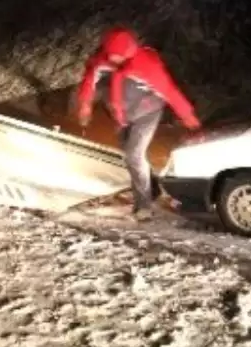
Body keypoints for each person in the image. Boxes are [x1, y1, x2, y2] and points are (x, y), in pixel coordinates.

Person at [74, 26, 201, 218]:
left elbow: (169, 91)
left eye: (119, 56)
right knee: (132, 156)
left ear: (129, 52)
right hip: (121, 114)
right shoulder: (103, 60)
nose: (114, 59)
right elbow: (90, 79)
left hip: (147, 113)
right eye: (112, 55)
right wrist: (85, 105)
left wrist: (188, 116)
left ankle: (143, 206)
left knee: (134, 155)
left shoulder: (146, 65)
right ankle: (154, 190)